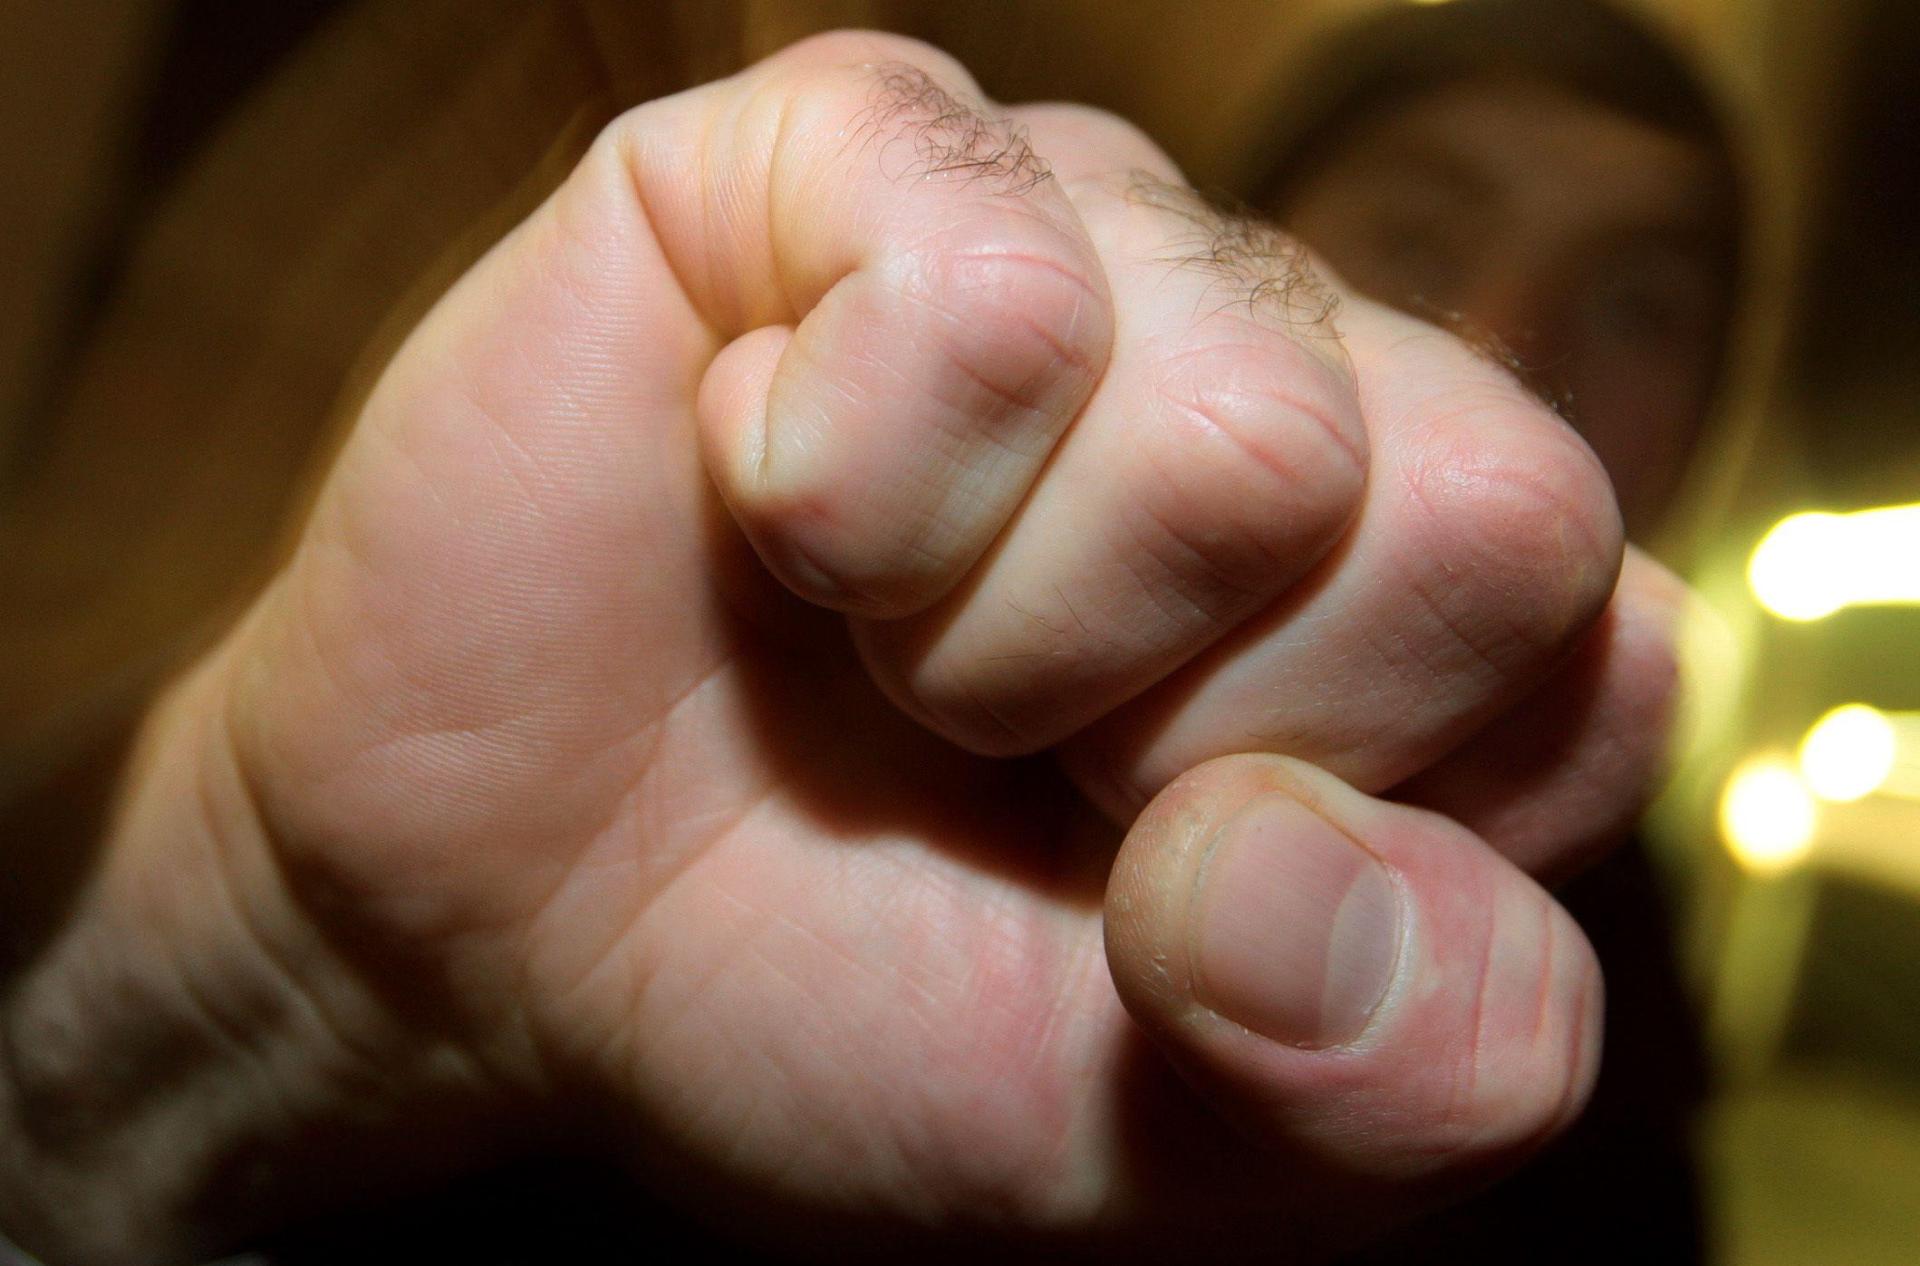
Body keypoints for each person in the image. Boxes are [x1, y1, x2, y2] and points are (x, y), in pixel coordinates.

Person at [0, 21, 1691, 1266]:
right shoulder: (784, 646)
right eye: (1419, 228)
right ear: (1266, 258)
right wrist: (265, 947)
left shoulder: (1634, 1015)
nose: (1516, 331)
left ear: (1713, 419)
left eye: (1640, 304)